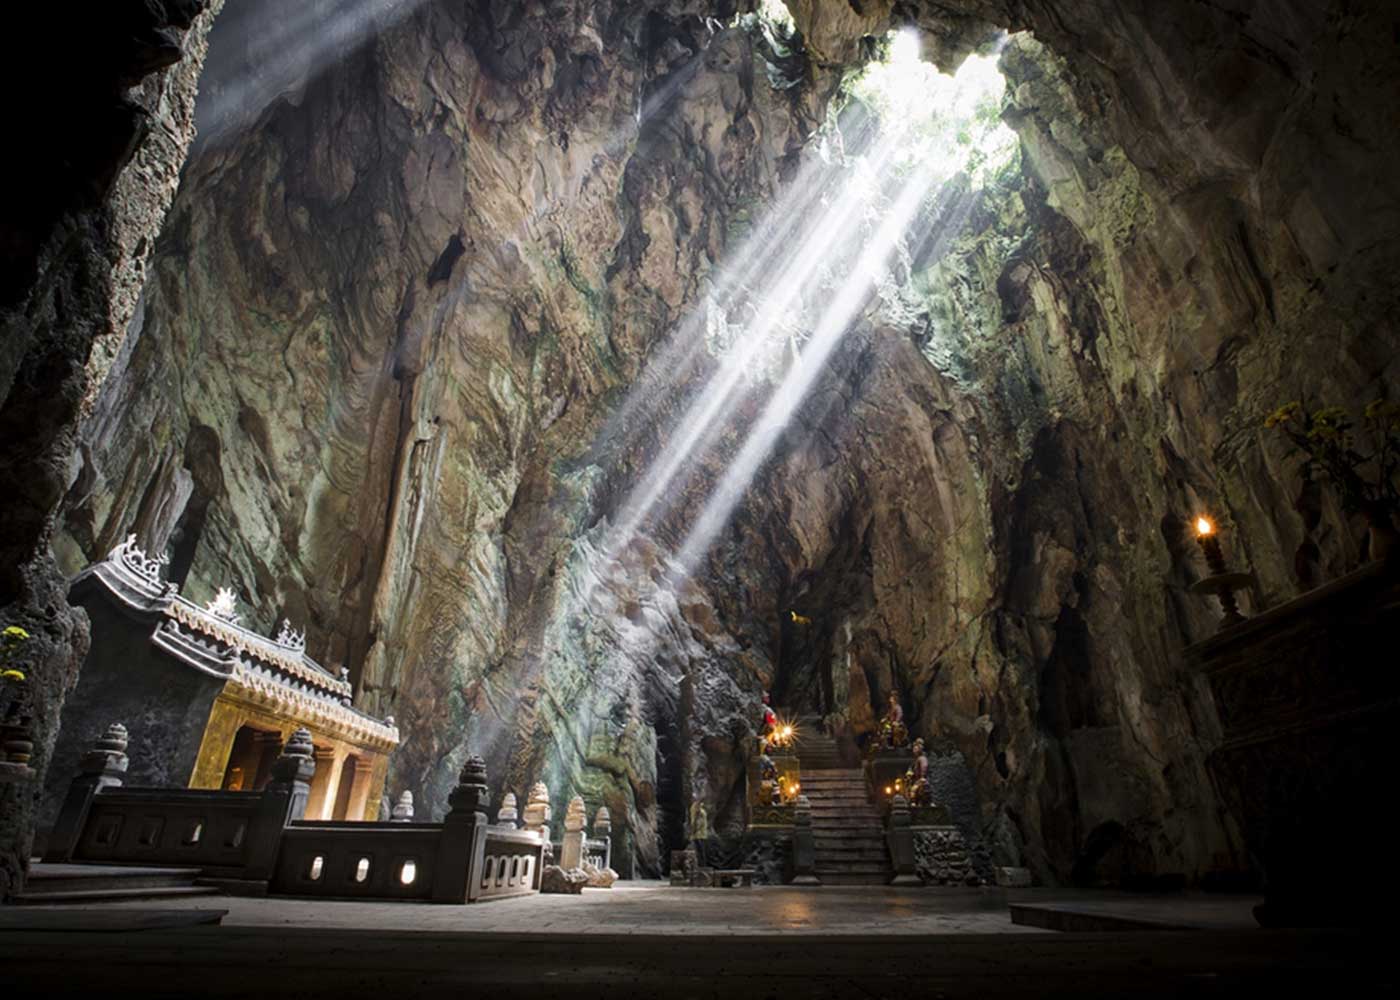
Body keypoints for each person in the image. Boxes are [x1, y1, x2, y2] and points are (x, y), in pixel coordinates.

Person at [688, 798, 710, 867]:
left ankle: (702, 867)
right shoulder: (697, 808)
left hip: (699, 834)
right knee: (700, 853)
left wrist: (692, 831)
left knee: (700, 852)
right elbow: (695, 821)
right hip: (699, 834)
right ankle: (701, 867)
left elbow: (697, 821)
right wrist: (693, 831)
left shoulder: (699, 808)